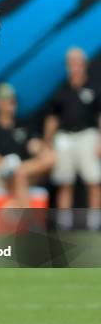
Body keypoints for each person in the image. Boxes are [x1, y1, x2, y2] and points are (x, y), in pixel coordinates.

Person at [44, 47, 101, 230]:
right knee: (64, 180)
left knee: (93, 179)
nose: (75, 66)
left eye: (78, 62)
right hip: (65, 138)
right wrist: (47, 143)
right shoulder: (61, 90)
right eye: (71, 63)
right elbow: (52, 118)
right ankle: (64, 223)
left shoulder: (94, 88)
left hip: (88, 135)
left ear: (84, 64)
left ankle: (94, 222)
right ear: (67, 66)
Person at [0, 83, 55, 207]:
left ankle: (18, 207)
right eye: (5, 99)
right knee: (17, 175)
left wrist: (38, 147)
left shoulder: (23, 124)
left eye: (12, 99)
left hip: (24, 171)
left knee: (49, 157)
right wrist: (8, 165)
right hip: (2, 173)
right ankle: (25, 217)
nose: (10, 102)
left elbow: (37, 146)